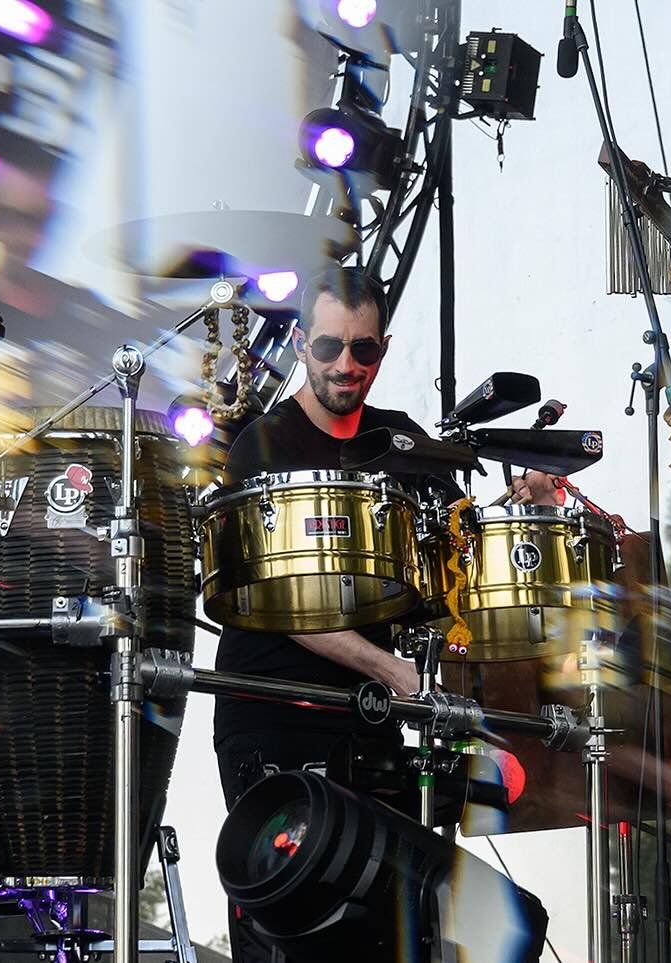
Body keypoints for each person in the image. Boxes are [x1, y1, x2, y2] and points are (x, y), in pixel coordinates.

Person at [210, 266, 557, 960]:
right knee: (299, 921)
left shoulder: (404, 444)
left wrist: (518, 510)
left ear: (385, 348)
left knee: (393, 926)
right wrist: (390, 669)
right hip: (275, 712)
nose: (346, 364)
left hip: (372, 723)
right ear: (304, 344)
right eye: (330, 347)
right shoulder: (264, 445)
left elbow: (446, 573)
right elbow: (280, 604)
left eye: (363, 350)